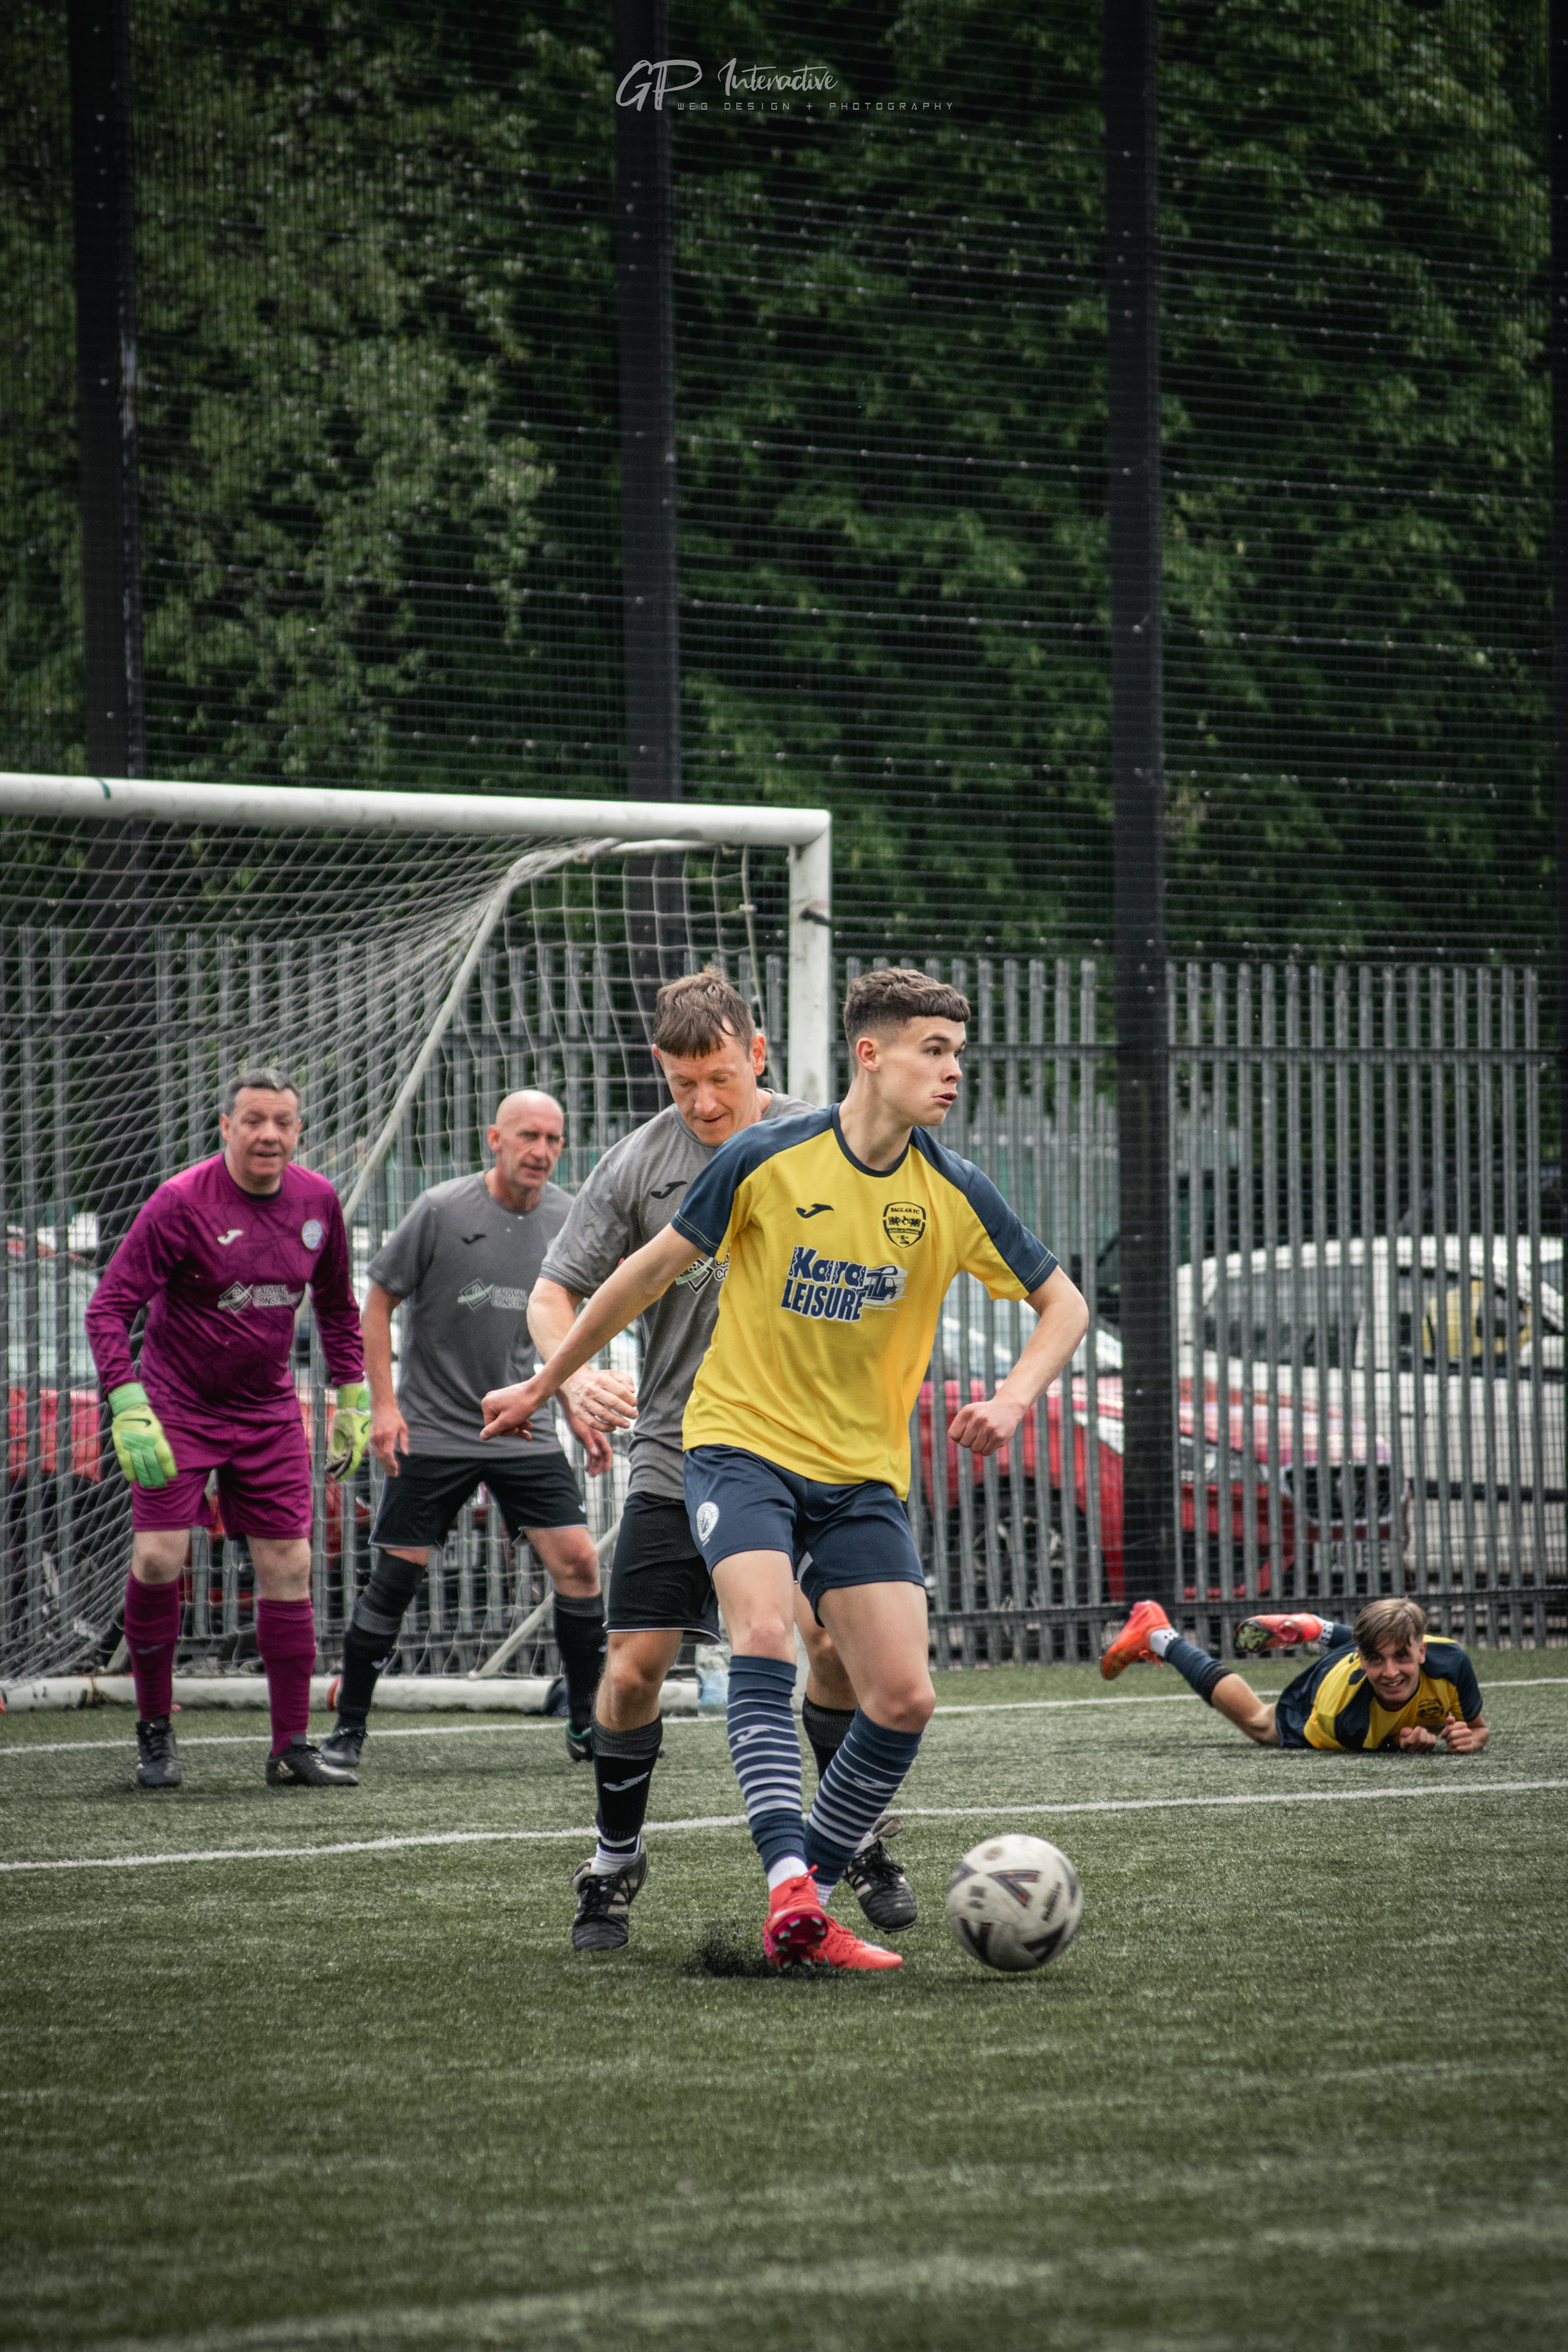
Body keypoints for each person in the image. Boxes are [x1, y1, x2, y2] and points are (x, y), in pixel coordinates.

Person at [485, 967, 1089, 1973]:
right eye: (933, 1051)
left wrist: (1016, 1396)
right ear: (872, 1053)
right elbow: (635, 1276)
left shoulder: (953, 1188)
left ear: (758, 1058)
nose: (952, 1071)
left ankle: (820, 1866)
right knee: (744, 1636)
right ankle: (766, 1885)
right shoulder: (765, 1156)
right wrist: (552, 1381)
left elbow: (1061, 1304)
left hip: (859, 1471)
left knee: (901, 1695)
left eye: (955, 1052)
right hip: (730, 1445)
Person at [531, 969, 915, 1955]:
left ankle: (851, 1836)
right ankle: (615, 1859)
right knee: (632, 1670)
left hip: (799, 1453)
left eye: (719, 1079)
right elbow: (553, 1294)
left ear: (756, 1056)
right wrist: (568, 1383)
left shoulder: (825, 1142)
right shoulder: (636, 1166)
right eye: (679, 1082)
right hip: (675, 1448)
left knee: (828, 1651)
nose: (703, 1103)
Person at [85, 1068, 370, 1791]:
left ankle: (290, 1747)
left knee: (291, 1567)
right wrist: (126, 1401)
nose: (269, 1134)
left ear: (298, 1130)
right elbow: (108, 1308)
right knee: (157, 1559)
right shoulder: (180, 1202)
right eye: (254, 1121)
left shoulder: (319, 1201)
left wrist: (353, 1399)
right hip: (177, 1407)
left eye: (282, 1121)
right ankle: (155, 1730)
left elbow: (338, 1308)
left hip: (269, 1410)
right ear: (226, 1127)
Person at [321, 1091, 608, 1769]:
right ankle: (347, 1732)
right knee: (396, 1576)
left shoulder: (568, 1219)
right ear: (494, 1140)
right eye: (528, 1136)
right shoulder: (442, 1210)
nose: (542, 1151)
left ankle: (586, 1721)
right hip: (436, 1429)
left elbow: (566, 1325)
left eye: (554, 1139)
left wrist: (572, 1400)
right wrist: (385, 1408)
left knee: (580, 1563)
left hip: (521, 1427)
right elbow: (378, 1301)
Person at [1098, 1594, 1489, 1753]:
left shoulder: (1453, 1662)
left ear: (1423, 1651)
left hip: (1361, 1654)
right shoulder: (1344, 1718)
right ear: (1360, 1657)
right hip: (1330, 1685)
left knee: (1382, 1640)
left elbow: (1479, 1728)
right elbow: (1389, 1748)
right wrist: (1411, 1743)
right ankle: (1159, 1634)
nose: (1389, 1672)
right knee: (1261, 1723)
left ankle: (1316, 1628)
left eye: (1403, 1657)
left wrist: (1468, 1737)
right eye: (1375, 1661)